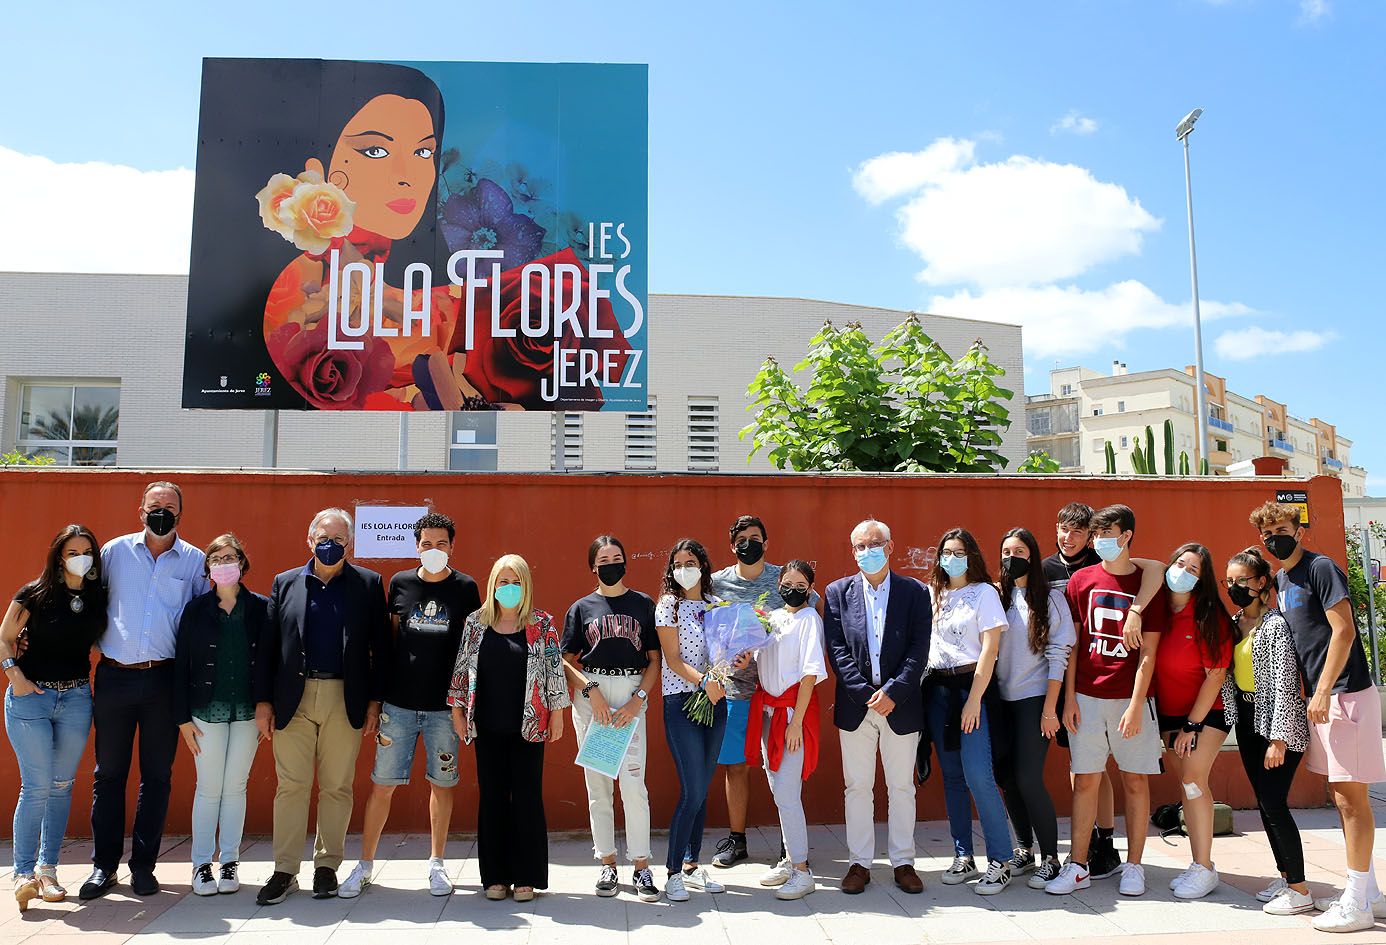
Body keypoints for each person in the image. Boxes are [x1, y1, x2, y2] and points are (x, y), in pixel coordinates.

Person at [1249, 501, 1386, 934]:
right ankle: (1369, 894)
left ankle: (1357, 904)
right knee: (1342, 797)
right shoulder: (1283, 578)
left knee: (1350, 800)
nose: (1274, 539)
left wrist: (1324, 689)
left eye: (1281, 530)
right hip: (1324, 700)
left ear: (1300, 531)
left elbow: (1343, 630)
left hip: (1345, 694)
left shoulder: (1320, 568)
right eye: (1267, 534)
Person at [339, 513, 481, 900]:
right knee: (382, 784)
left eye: (441, 544)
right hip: (398, 706)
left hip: (444, 708)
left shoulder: (466, 587)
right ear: (416, 545)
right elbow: (388, 643)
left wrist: (463, 705)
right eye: (426, 543)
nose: (433, 550)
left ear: (452, 546)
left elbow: (471, 648)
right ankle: (365, 864)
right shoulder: (400, 583)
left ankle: (437, 863)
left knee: (442, 784)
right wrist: (377, 699)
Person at [254, 508, 390, 906]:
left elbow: (381, 647)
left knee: (336, 786)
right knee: (291, 786)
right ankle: (285, 870)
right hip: (292, 698)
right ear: (309, 540)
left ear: (351, 544)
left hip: (344, 696)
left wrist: (375, 702)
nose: (330, 545)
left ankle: (327, 866)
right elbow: (268, 647)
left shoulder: (368, 584)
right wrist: (263, 701)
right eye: (323, 538)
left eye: (339, 539)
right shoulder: (285, 583)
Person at [83, 481, 207, 900]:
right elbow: (87, 601)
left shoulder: (194, 561)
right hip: (114, 677)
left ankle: (143, 867)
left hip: (163, 681)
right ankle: (103, 867)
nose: (161, 512)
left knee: (156, 778)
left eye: (169, 507)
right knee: (108, 776)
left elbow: (200, 620)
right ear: (141, 510)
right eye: (155, 505)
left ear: (180, 514)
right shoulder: (113, 553)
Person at [1046, 504, 1168, 898]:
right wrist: (1069, 699)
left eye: (1107, 534)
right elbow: (1073, 643)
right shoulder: (1080, 580)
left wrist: (1135, 705)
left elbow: (1149, 653)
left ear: (1127, 535)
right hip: (1086, 696)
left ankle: (1134, 866)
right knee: (1085, 780)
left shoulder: (1147, 584)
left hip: (1131, 700)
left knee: (1134, 781)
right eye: (1096, 535)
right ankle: (1078, 865)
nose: (1100, 541)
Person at [449, 554, 568, 902]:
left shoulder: (542, 623)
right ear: (493, 585)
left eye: (516, 582)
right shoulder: (475, 623)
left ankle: (526, 877)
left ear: (526, 585)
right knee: (493, 798)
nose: (510, 588)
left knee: (527, 798)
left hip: (529, 725)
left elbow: (554, 670)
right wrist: (457, 711)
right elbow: (461, 668)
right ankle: (495, 877)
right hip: (487, 726)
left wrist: (558, 714)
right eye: (503, 581)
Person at [823, 518, 931, 896]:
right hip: (857, 707)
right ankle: (860, 863)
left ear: (890, 547)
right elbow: (836, 650)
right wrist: (865, 693)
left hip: (900, 705)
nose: (867, 552)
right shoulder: (837, 593)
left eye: (874, 544)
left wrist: (893, 692)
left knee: (901, 786)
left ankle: (903, 862)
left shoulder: (915, 592)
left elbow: (919, 649)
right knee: (857, 786)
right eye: (860, 546)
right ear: (853, 551)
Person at [1, 524, 105, 911]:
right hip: (32, 699)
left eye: (87, 552)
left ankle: (48, 872)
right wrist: (15, 675)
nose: (81, 558)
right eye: (73, 552)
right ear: (59, 557)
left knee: (61, 785)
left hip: (76, 698)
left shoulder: (97, 597)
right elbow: (4, 636)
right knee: (36, 786)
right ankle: (23, 874)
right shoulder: (34, 593)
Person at [709, 514, 819, 872]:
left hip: (779, 695)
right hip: (736, 690)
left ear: (766, 543)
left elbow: (810, 611)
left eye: (755, 538)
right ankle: (737, 839)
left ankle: (790, 846)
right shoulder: (717, 583)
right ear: (732, 545)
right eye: (741, 539)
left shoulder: (784, 579)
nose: (748, 544)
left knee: (784, 770)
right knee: (735, 765)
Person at [562, 535, 661, 903]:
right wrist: (592, 692)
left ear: (625, 561)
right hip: (594, 697)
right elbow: (566, 661)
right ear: (593, 566)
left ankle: (642, 865)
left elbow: (654, 660)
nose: (611, 564)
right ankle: (607, 862)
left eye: (616, 557)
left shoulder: (642, 604)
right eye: (603, 560)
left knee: (634, 785)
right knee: (599, 786)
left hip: (631, 694)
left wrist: (638, 700)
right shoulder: (581, 608)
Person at [1220, 547, 1313, 916]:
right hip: (1247, 720)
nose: (1235, 587)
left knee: (1274, 802)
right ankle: (1286, 876)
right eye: (1229, 581)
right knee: (1264, 801)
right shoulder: (1234, 623)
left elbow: (1286, 683)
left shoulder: (1275, 626)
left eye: (1241, 580)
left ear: (1261, 583)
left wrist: (1279, 738)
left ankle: (1300, 890)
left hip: (1276, 723)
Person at [174, 534, 267, 897]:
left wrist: (268, 706)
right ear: (208, 568)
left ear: (242, 563)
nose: (224, 564)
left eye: (230, 558)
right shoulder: (196, 610)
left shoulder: (261, 608)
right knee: (209, 788)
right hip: (205, 711)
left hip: (247, 711)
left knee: (236, 787)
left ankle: (229, 861)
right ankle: (201, 865)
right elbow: (181, 665)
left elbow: (270, 661)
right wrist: (182, 719)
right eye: (216, 559)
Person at [924, 528, 1014, 895]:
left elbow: (990, 650)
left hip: (972, 689)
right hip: (937, 691)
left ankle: (1001, 860)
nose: (951, 558)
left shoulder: (985, 593)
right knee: (952, 777)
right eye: (946, 552)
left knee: (979, 775)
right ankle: (963, 855)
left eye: (959, 552)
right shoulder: (933, 593)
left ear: (971, 555)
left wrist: (974, 699)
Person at [994, 527, 1075, 891]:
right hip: (1000, 700)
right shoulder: (997, 596)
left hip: (1034, 699)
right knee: (1006, 778)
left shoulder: (1051, 599)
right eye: (1006, 552)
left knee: (1028, 778)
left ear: (1033, 555)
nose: (1012, 558)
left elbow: (1059, 654)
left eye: (1019, 551)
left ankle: (1051, 857)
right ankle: (1024, 848)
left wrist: (1049, 708)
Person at [1153, 543, 1233, 900]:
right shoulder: (1157, 610)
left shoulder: (1208, 615)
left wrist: (1192, 725)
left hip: (1206, 713)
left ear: (1202, 580)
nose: (1183, 572)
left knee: (1193, 780)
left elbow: (1215, 676)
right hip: (1168, 714)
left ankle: (1204, 867)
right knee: (1185, 785)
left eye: (1193, 569)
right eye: (1179, 564)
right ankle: (1198, 863)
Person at [745, 560, 827, 900]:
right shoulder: (773, 618)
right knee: (778, 789)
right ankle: (789, 859)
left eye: (800, 584)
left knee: (787, 794)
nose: (792, 589)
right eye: (787, 583)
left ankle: (802, 871)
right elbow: (757, 658)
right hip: (768, 712)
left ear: (810, 588)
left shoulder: (809, 620)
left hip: (792, 713)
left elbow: (809, 674)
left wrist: (796, 723)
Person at [655, 539, 729, 902]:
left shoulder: (717, 604)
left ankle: (691, 865)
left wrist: (735, 663)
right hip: (681, 701)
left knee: (703, 788)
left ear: (703, 566)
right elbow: (672, 658)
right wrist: (703, 681)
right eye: (678, 563)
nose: (684, 569)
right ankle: (672, 873)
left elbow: (724, 653)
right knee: (693, 789)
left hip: (715, 702)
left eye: (691, 562)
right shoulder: (668, 605)